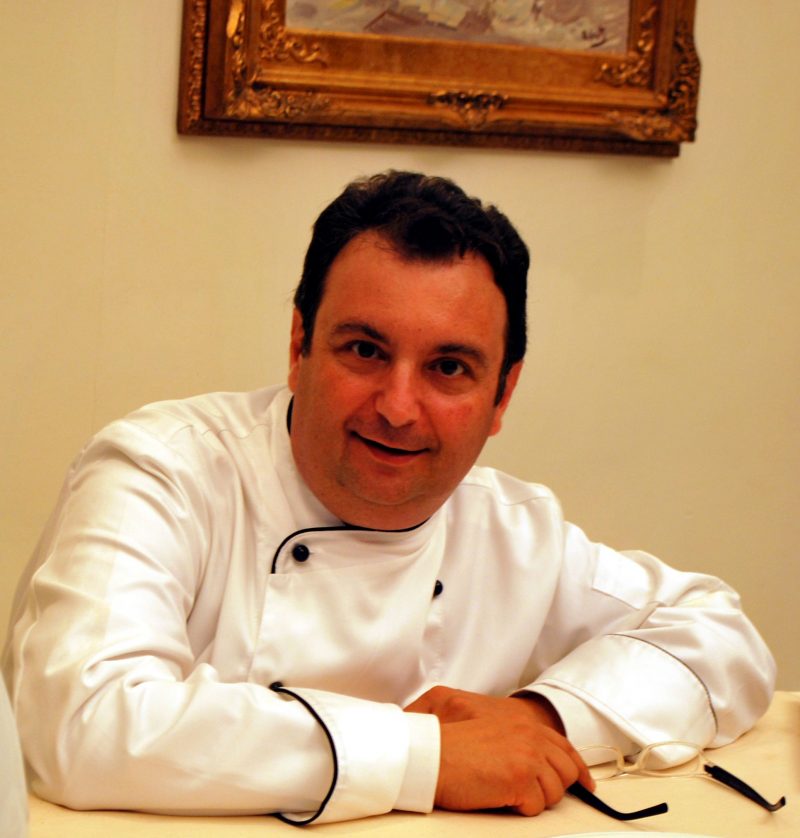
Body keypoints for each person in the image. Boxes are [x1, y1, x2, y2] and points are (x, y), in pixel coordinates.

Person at [2, 171, 775, 825]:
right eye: (365, 350)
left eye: (449, 368)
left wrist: (537, 718)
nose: (398, 408)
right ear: (300, 346)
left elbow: (721, 638)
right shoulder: (161, 471)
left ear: (503, 395)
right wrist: (427, 757)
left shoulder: (511, 531)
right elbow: (80, 723)